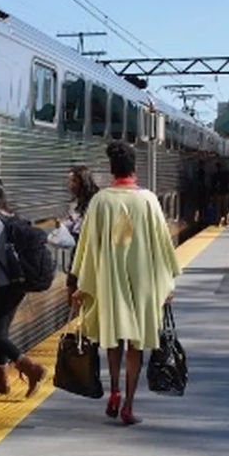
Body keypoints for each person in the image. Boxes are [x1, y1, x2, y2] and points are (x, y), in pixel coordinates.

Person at [71, 141, 181, 425]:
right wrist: (167, 283)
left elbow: (87, 246)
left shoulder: (100, 201)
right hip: (143, 283)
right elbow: (162, 245)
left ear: (112, 169)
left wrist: (81, 283)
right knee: (135, 343)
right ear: (135, 168)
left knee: (113, 338)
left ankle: (115, 391)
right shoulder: (149, 200)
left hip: (110, 281)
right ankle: (129, 405)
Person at [0, 177, 46, 396]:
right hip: (17, 284)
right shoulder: (12, 216)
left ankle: (31, 368)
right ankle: (1, 379)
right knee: (1, 331)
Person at [63, 166, 99, 303]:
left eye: (73, 181)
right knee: (72, 284)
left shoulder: (97, 200)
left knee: (83, 285)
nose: (70, 185)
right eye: (69, 181)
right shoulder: (75, 202)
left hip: (91, 247)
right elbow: (73, 221)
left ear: (83, 182)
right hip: (78, 245)